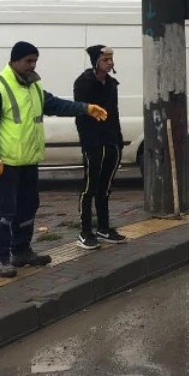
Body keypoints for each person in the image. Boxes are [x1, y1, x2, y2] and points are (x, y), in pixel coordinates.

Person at [0, 41, 107, 278]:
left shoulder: (33, 87)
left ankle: (22, 251)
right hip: (7, 163)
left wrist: (85, 108)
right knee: (5, 211)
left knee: (28, 207)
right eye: (28, 61)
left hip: (29, 160)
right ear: (15, 60)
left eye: (34, 60)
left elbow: (55, 104)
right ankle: (0, 258)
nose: (32, 65)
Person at [73, 45, 126, 250]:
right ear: (96, 61)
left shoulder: (112, 84)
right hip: (93, 142)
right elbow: (81, 114)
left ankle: (104, 227)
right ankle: (85, 231)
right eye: (105, 60)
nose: (110, 63)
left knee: (105, 187)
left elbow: (114, 113)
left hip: (111, 140)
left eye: (111, 59)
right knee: (90, 187)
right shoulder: (84, 83)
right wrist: (88, 141)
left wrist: (118, 140)